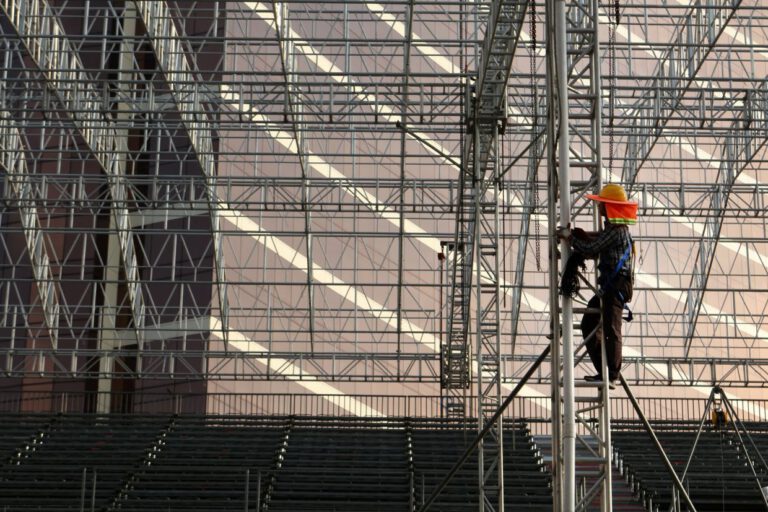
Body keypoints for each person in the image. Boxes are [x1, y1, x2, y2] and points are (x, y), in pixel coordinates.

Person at [560, 183, 637, 387]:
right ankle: (604, 369)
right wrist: (580, 238)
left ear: (610, 207)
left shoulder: (617, 231)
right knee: (589, 324)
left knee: (612, 328)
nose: (599, 207)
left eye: (602, 203)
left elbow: (593, 247)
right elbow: (595, 248)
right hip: (610, 287)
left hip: (616, 286)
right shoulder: (612, 230)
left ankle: (612, 373)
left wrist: (571, 238)